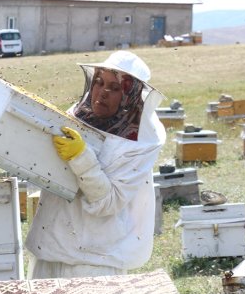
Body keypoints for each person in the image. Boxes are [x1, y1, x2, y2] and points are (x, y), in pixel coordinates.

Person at [25, 50, 166, 278]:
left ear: (131, 95)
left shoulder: (140, 143)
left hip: (94, 261)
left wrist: (81, 157)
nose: (102, 93)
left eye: (115, 88)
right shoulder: (77, 116)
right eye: (99, 83)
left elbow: (108, 202)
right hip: (50, 249)